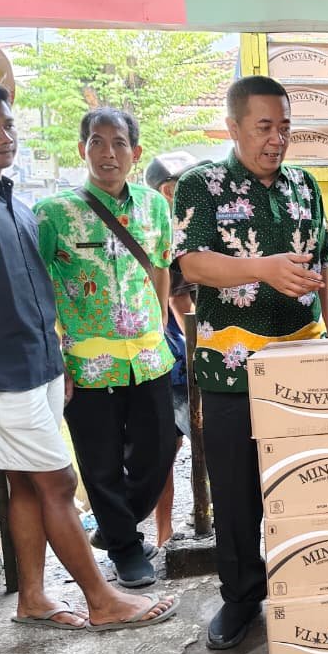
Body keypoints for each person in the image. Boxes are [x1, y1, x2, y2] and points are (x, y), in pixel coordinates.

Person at [0, 80, 177, 632]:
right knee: (59, 483)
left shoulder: (14, 205)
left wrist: (57, 360)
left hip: (39, 365)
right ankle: (102, 600)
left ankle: (34, 597)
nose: (4, 137)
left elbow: (41, 292)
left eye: (8, 125)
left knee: (25, 484)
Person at [174, 75, 328, 650]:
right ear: (234, 127)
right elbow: (192, 264)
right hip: (232, 370)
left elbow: (321, 268)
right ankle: (241, 597)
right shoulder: (200, 184)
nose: (277, 139)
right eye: (264, 127)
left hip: (303, 366)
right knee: (236, 491)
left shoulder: (304, 185)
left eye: (284, 127)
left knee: (308, 484)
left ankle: (309, 584)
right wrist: (263, 268)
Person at [34, 108, 178, 589]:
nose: (108, 153)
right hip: (87, 360)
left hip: (149, 355)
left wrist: (160, 322)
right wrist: (55, 353)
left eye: (118, 143)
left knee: (160, 450)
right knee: (100, 461)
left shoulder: (154, 206)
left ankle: (116, 524)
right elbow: (38, 287)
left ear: (135, 153)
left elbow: (160, 266)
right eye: (97, 142)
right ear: (82, 150)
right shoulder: (53, 213)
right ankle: (125, 547)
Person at [144, 150, 206, 546]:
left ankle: (167, 532)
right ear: (169, 191)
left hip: (173, 354)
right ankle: (169, 532)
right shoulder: (172, 231)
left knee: (170, 446)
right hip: (179, 355)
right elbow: (180, 303)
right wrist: (200, 347)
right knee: (181, 442)